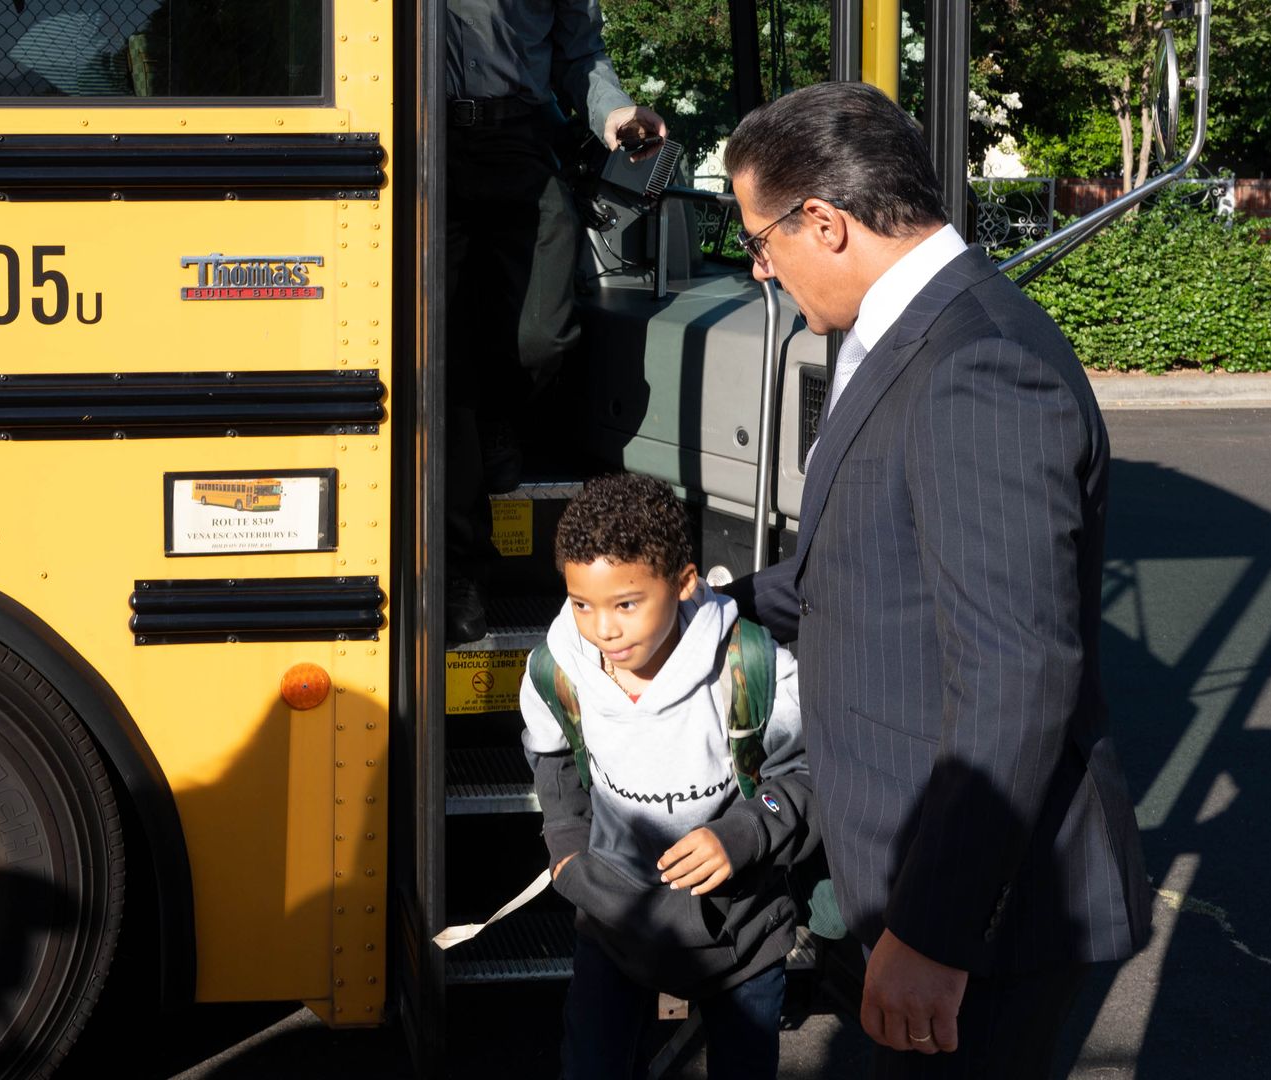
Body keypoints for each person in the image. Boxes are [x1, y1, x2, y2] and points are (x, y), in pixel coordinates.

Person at [718, 81, 1154, 1077]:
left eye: (763, 242)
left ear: (823, 222)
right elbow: (871, 570)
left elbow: (1015, 675)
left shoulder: (976, 366)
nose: (764, 269)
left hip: (976, 922)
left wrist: (934, 934)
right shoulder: (904, 334)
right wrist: (720, 608)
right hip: (910, 880)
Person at [520, 473, 813, 1080]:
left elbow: (808, 776)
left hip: (741, 938)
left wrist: (744, 834)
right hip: (614, 925)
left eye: (626, 603)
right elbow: (551, 761)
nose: (603, 629)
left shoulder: (753, 667)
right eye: (582, 604)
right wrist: (568, 852)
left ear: (683, 583)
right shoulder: (557, 669)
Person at [444, 0, 667, 643]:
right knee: (446, 366)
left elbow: (579, 54)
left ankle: (498, 417)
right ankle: (460, 570)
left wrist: (614, 110)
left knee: (545, 330)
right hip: (423, 140)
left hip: (521, 140)